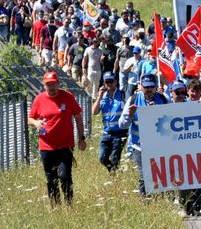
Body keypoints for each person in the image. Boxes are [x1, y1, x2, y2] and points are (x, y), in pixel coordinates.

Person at [28, 71, 86, 205]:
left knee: (65, 176)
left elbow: (78, 117)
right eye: (48, 85)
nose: (52, 87)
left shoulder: (68, 97)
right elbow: (30, 118)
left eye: (54, 84)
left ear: (58, 83)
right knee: (51, 179)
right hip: (46, 146)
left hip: (65, 146)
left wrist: (81, 138)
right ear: (44, 86)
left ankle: (69, 204)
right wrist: (36, 123)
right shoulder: (39, 99)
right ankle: (55, 206)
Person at [119, 74, 168, 195]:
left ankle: (159, 200)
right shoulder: (133, 99)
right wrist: (129, 115)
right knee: (143, 176)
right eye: (146, 87)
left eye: (151, 87)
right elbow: (122, 125)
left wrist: (160, 112)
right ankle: (145, 201)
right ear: (141, 86)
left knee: (160, 175)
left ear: (156, 87)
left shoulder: (163, 99)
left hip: (159, 146)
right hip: (139, 147)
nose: (149, 90)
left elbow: (173, 120)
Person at [92, 72, 128, 172]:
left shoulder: (122, 95)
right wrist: (99, 97)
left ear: (115, 82)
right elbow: (94, 112)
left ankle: (115, 175)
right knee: (102, 158)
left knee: (115, 158)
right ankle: (114, 171)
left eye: (111, 81)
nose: (109, 84)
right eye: (106, 82)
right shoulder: (102, 97)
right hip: (106, 133)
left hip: (120, 133)